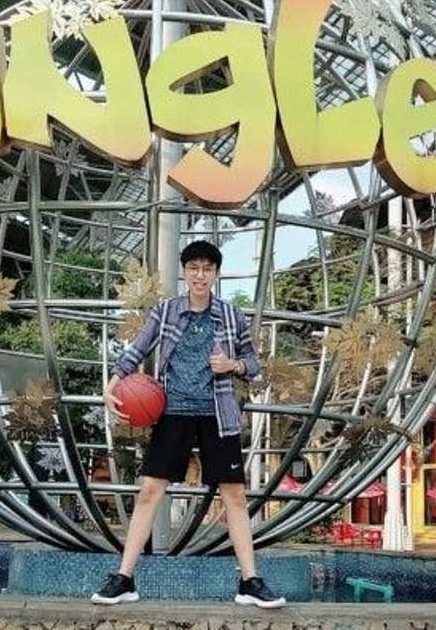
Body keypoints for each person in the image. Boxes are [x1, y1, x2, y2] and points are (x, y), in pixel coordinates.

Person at [91, 240, 286, 608]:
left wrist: (232, 365)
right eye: (194, 268)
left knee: (235, 495)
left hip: (218, 415)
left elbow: (253, 364)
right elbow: (138, 349)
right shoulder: (166, 311)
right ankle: (124, 578)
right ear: (185, 272)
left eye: (207, 269)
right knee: (150, 491)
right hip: (173, 413)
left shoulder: (231, 315)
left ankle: (250, 582)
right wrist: (112, 383)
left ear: (215, 274)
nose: (200, 275)